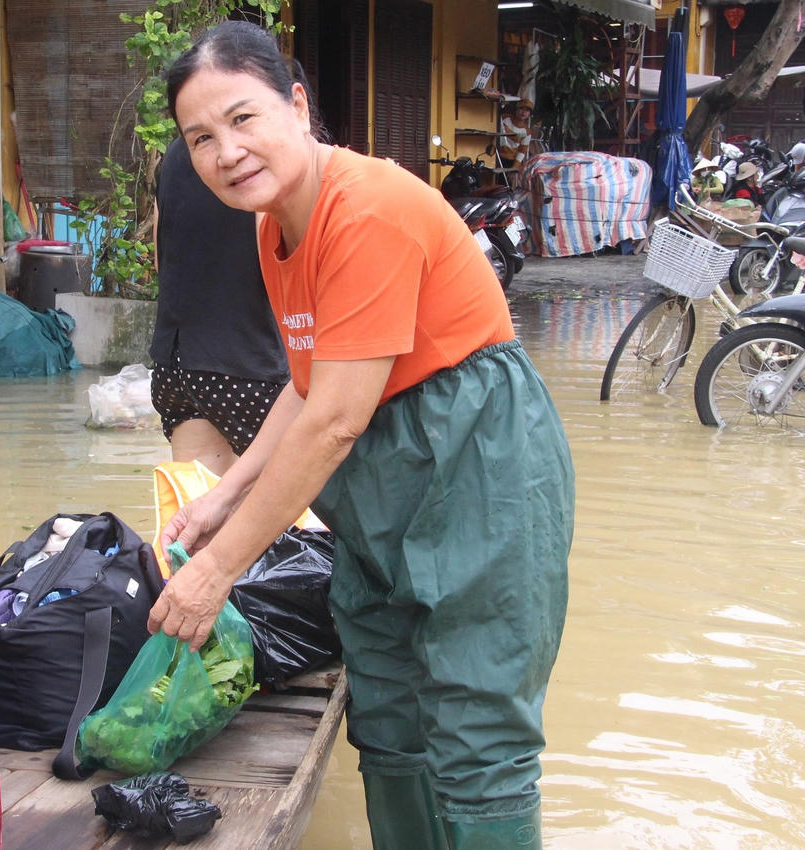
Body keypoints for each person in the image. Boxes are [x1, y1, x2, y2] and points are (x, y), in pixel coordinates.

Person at [148, 20, 574, 850]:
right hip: (378, 491)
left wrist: (218, 570)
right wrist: (221, 501)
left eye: (242, 119)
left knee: (478, 727)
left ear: (297, 104)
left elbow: (336, 420)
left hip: (474, 465)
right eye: (200, 138)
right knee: (386, 709)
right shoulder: (275, 229)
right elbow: (305, 387)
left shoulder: (368, 205)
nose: (224, 152)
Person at [149, 132, 289, 475]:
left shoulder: (179, 152)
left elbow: (158, 259)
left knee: (197, 504)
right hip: (245, 361)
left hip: (175, 365)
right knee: (292, 505)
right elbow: (273, 256)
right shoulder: (258, 150)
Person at [498, 98, 533, 169]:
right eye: (521, 109)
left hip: (510, 160)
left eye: (527, 110)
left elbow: (522, 151)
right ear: (516, 109)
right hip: (495, 154)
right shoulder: (504, 118)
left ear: (529, 114)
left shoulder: (527, 132)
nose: (523, 112)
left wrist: (514, 167)